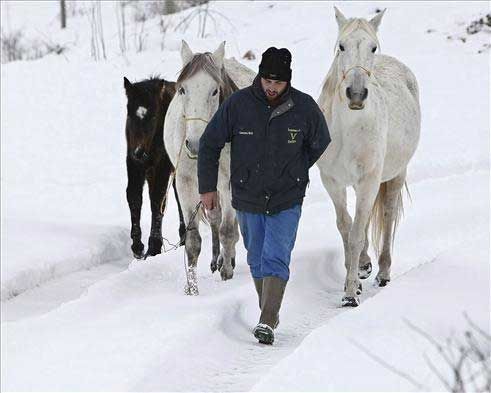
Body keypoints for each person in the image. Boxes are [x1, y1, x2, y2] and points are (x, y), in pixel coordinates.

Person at [198, 47, 331, 345]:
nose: (271, 87)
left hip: (287, 197)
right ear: (260, 76)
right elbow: (209, 144)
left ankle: (267, 319)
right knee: (256, 258)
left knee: (275, 256)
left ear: (288, 81)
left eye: (278, 83)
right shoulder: (239, 104)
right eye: (267, 80)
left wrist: (297, 169)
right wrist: (207, 188)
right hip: (248, 196)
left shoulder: (304, 107)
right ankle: (268, 311)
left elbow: (321, 140)